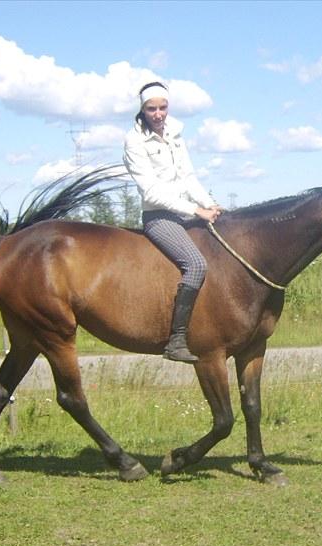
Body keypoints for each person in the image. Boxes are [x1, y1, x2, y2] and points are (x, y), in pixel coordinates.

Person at [123, 81, 222, 363]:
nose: (158, 114)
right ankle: (177, 340)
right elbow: (151, 192)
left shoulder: (176, 134)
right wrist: (196, 210)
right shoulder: (134, 140)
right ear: (142, 110)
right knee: (196, 264)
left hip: (188, 211)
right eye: (151, 108)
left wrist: (208, 203)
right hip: (159, 216)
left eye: (163, 107)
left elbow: (188, 177)